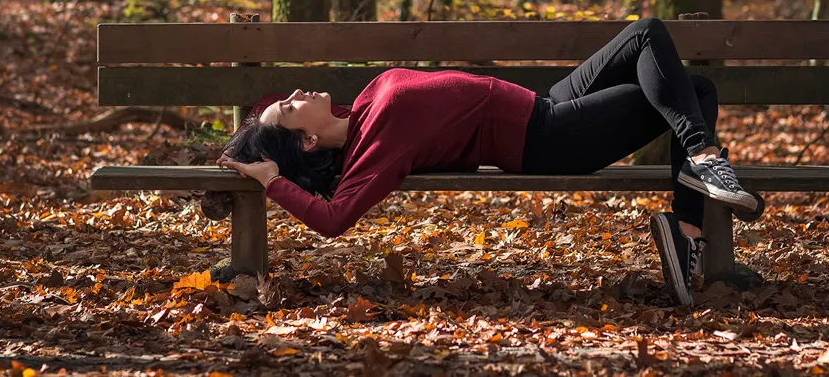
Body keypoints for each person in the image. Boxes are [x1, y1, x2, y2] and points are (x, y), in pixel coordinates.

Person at [216, 17, 757, 305]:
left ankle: (687, 224)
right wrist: (271, 179)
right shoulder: (374, 151)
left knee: (663, 53)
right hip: (548, 139)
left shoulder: (362, 108)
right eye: (290, 108)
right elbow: (333, 219)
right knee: (683, 76)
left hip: (545, 104)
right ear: (307, 142)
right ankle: (702, 170)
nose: (295, 93)